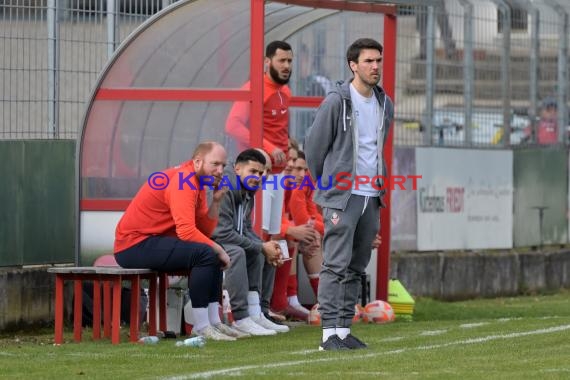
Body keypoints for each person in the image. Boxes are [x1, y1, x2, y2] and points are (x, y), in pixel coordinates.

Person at [305, 38, 394, 350]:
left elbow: (376, 148)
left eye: (378, 61)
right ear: (353, 65)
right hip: (342, 195)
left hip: (372, 194)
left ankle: (343, 330)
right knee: (336, 264)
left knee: (357, 265)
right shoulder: (337, 101)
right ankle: (328, 334)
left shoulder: (385, 103)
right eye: (369, 61)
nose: (375, 67)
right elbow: (313, 147)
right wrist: (327, 186)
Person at [113, 141, 238, 341]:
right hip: (132, 245)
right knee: (206, 252)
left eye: (223, 165)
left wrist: (216, 201)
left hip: (151, 241)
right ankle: (201, 326)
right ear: (198, 162)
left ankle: (215, 322)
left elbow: (203, 231)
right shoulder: (184, 180)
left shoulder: (196, 182)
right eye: (215, 164)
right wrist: (218, 250)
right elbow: (187, 232)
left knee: (209, 250)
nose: (220, 170)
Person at [211, 148, 289, 335]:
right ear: (238, 169)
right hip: (210, 241)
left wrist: (266, 247)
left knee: (266, 251)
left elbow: (245, 228)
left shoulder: (248, 190)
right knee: (239, 252)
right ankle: (241, 317)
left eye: (263, 173)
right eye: (254, 172)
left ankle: (258, 312)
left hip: (225, 239)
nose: (260, 177)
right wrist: (260, 246)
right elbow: (221, 232)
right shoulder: (227, 187)